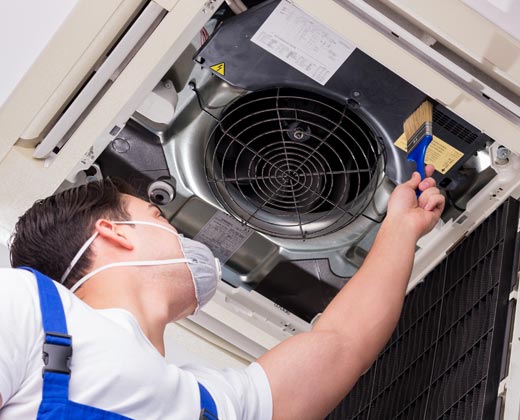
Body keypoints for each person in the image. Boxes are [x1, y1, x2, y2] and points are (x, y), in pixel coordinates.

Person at [1, 165, 444, 419]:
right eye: (158, 215)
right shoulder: (24, 305)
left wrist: (401, 229)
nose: (178, 234)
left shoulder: (207, 401)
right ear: (114, 233)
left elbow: (343, 343)